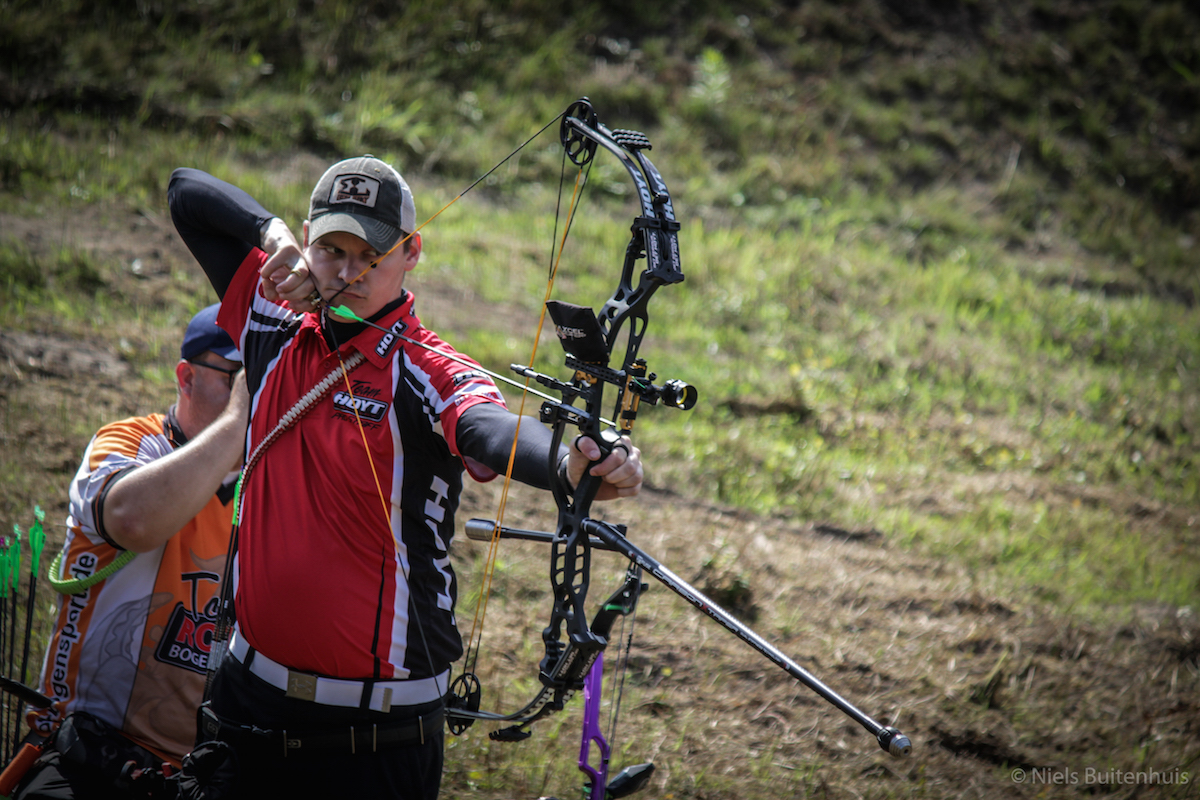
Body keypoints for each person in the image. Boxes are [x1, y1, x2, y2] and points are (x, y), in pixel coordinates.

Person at [166, 156, 644, 800]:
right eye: (330, 249)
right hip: (246, 701)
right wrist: (271, 235)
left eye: (372, 252)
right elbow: (186, 192)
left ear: (410, 252)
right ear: (307, 241)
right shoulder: (271, 314)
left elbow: (490, 429)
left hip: (373, 734)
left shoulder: (428, 370)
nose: (347, 271)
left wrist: (574, 464)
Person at [12, 305, 248, 800]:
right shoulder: (129, 444)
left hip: (193, 773)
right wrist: (238, 421)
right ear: (186, 377)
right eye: (237, 377)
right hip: (88, 749)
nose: (253, 393)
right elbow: (132, 520)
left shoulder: (271, 490)